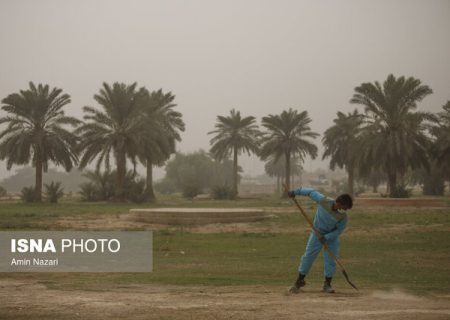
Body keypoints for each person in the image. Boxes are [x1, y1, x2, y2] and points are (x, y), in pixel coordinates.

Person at [287, 187, 353, 293]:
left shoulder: (343, 218)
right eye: (344, 208)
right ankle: (300, 280)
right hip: (316, 234)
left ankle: (327, 284)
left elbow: (338, 231)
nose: (345, 210)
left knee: (330, 260)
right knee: (308, 256)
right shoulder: (323, 200)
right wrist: (295, 192)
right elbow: (310, 192)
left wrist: (327, 237)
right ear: (338, 203)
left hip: (331, 238)